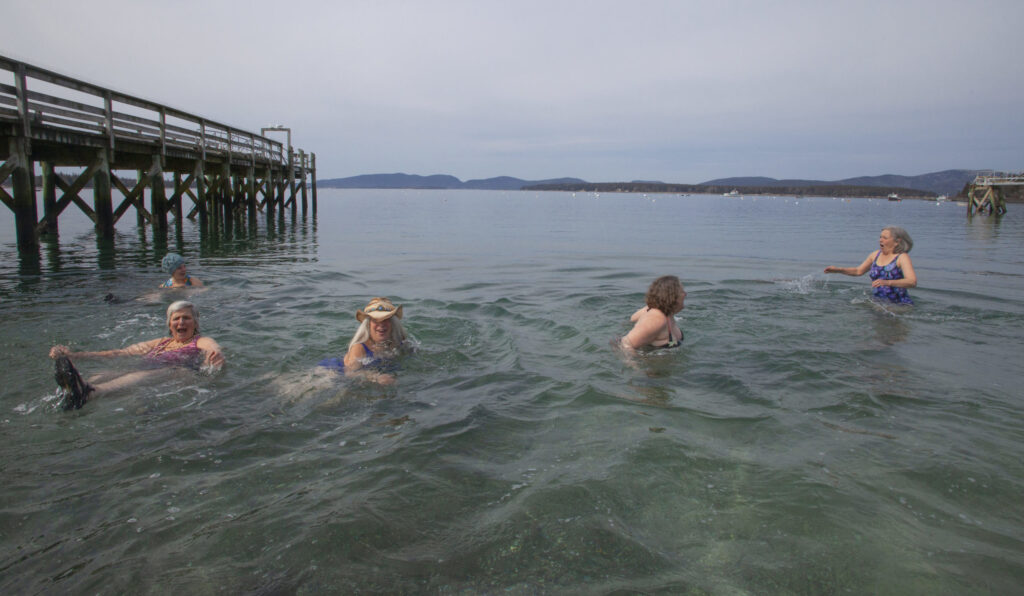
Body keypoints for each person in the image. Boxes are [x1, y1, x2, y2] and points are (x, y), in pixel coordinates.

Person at [48, 301, 225, 410]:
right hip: (149, 369)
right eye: (176, 319)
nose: (181, 322)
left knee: (137, 375)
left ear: (195, 322)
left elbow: (212, 347)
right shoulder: (160, 342)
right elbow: (119, 353)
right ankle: (72, 392)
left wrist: (215, 355)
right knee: (102, 375)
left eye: (186, 318)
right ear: (169, 324)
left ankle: (90, 393)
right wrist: (74, 355)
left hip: (179, 372)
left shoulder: (200, 341)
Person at [319, 297, 410, 385]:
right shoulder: (359, 347)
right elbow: (350, 373)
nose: (381, 325)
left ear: (393, 323)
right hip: (333, 372)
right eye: (375, 320)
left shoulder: (399, 342)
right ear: (368, 324)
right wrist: (376, 377)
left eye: (386, 319)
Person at [824, 226, 917, 304]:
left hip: (898, 305)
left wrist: (887, 282)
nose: (880, 240)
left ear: (897, 242)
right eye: (880, 237)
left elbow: (912, 281)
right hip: (878, 302)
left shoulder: (902, 257)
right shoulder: (875, 255)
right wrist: (838, 270)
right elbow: (858, 271)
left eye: (885, 238)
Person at [621, 275, 686, 351]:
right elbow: (625, 344)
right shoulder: (657, 319)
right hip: (650, 361)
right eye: (681, 291)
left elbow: (632, 319)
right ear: (673, 296)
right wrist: (635, 362)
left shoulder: (664, 312)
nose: (685, 294)